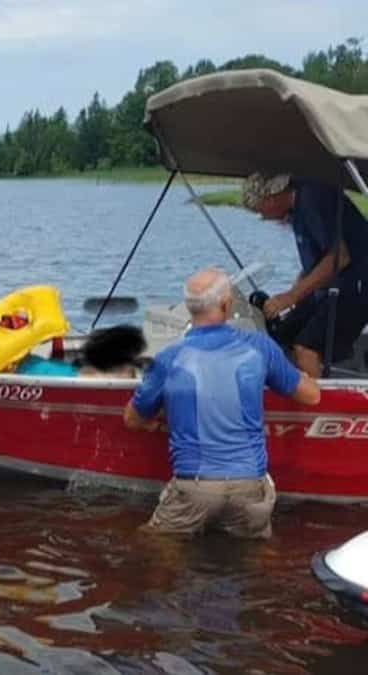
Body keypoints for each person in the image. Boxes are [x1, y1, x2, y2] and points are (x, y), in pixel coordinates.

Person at [123, 267, 320, 538]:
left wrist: (156, 422)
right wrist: (300, 375)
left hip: (195, 485)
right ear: (227, 305)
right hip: (249, 483)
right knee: (252, 551)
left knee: (154, 542)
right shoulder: (259, 347)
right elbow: (312, 396)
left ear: (189, 308)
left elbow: (132, 419)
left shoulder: (168, 358)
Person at [242, 173, 368, 376]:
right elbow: (319, 259)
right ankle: (291, 386)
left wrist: (292, 296)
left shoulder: (313, 199)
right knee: (281, 338)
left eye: (259, 210)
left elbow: (340, 256)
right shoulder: (297, 210)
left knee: (305, 348)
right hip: (330, 286)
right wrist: (295, 290)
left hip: (356, 286)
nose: (262, 217)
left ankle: (314, 395)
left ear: (271, 199)